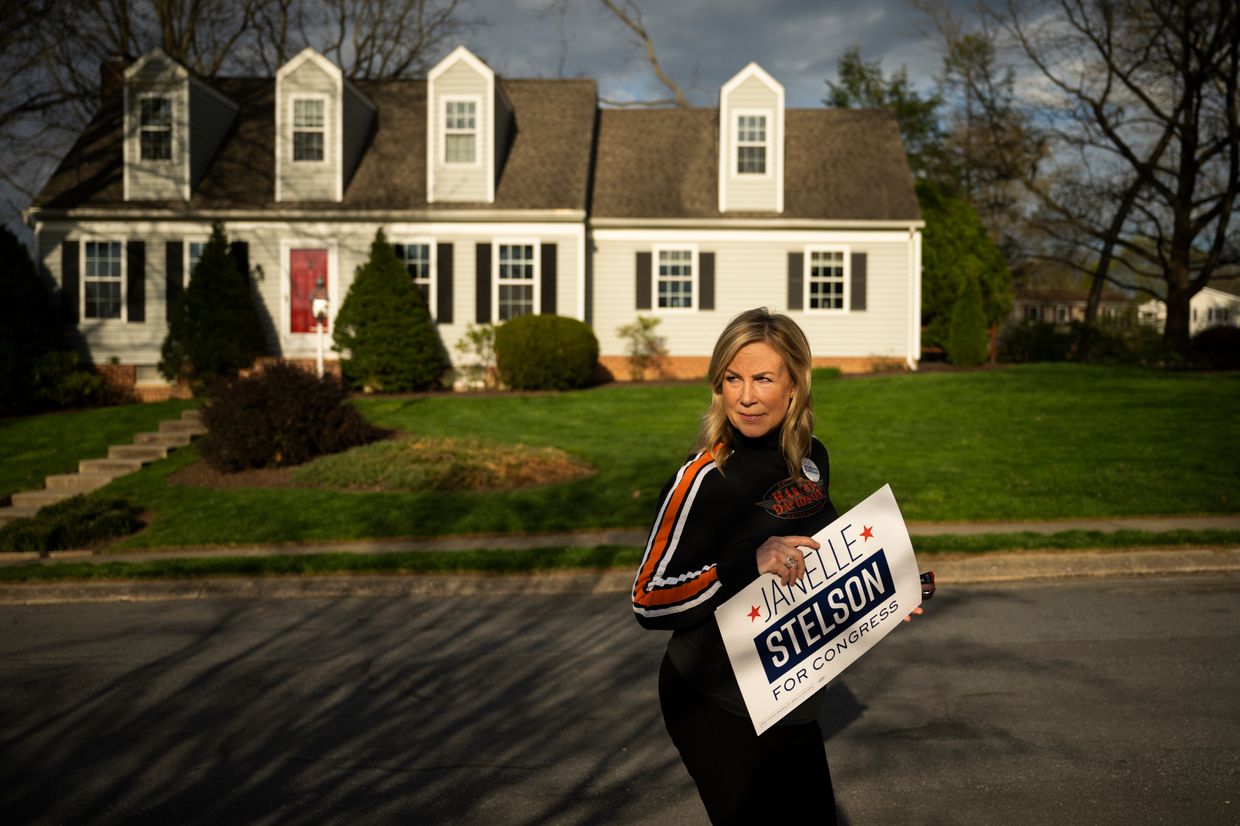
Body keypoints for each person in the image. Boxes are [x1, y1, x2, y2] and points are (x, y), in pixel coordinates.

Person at [630, 307, 842, 824]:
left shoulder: (810, 457)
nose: (745, 397)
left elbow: (819, 555)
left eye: (763, 378)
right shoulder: (704, 477)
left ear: (794, 386)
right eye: (733, 378)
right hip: (713, 696)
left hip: (790, 692)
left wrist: (889, 592)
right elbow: (649, 597)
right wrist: (746, 565)